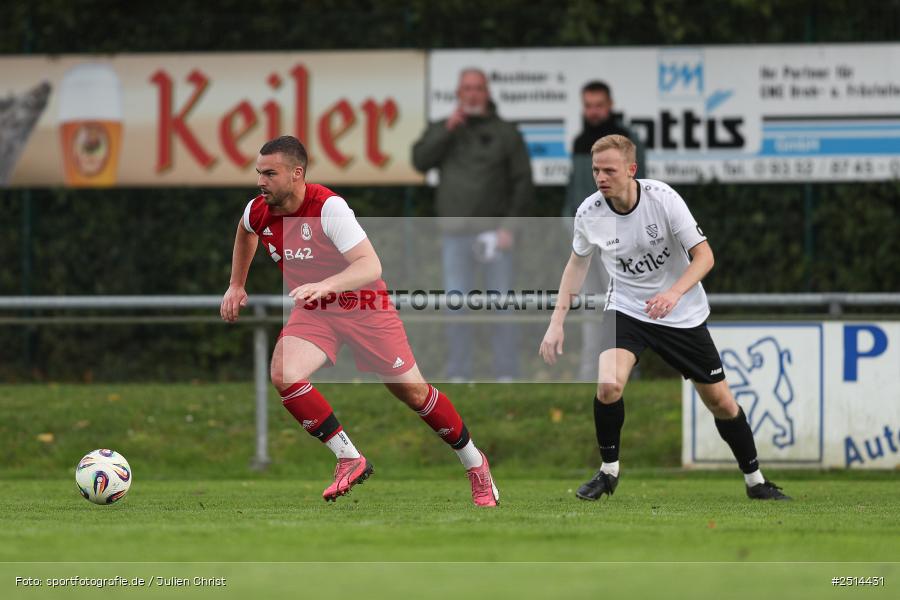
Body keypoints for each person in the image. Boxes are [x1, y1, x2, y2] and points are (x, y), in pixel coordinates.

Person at [221, 136, 499, 506]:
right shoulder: (259, 210)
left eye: (270, 173)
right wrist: (236, 284)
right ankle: (349, 457)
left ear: (297, 173)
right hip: (315, 310)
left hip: (364, 307)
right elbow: (245, 232)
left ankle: (475, 463)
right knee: (284, 373)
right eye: (259, 173)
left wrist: (326, 285)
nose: (260, 181)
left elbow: (370, 265)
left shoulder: (329, 207)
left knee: (413, 393)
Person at [540, 134, 790, 502]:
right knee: (609, 386)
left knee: (720, 402)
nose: (601, 177)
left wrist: (674, 294)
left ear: (631, 169)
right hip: (626, 308)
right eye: (596, 170)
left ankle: (756, 481)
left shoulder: (663, 199)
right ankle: (608, 473)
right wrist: (556, 322)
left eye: (609, 170)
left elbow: (705, 257)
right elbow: (576, 265)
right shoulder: (589, 213)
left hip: (681, 314)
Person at [412, 68, 533, 381]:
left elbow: (523, 183)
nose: (472, 94)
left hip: (496, 235)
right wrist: (447, 131)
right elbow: (419, 160)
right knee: (456, 306)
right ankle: (459, 374)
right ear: (457, 93)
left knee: (502, 306)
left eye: (478, 88)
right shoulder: (444, 129)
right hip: (454, 236)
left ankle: (506, 374)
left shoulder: (506, 133)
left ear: (487, 92)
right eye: (466, 88)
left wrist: (510, 227)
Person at [563, 81, 646, 381]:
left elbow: (638, 192)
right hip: (589, 244)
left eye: (599, 105)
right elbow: (573, 196)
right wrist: (574, 231)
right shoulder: (578, 142)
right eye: (588, 105)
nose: (593, 111)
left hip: (620, 245)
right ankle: (590, 376)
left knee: (625, 310)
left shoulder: (628, 143)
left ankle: (627, 377)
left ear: (609, 105)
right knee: (589, 310)